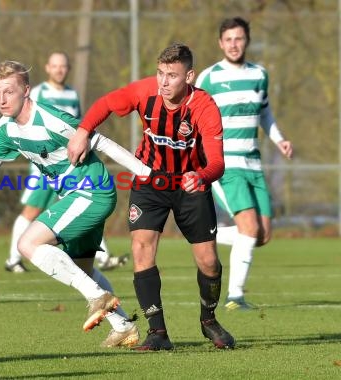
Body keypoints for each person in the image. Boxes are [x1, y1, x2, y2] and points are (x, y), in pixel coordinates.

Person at [0, 60, 152, 348]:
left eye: (8, 91)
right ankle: (123, 327)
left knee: (28, 244)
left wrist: (148, 174)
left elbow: (103, 143)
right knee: (83, 270)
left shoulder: (51, 119)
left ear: (26, 90)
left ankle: (99, 297)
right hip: (75, 195)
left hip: (91, 191)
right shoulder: (6, 129)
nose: (1, 99)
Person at [67, 43, 235, 350]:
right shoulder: (145, 91)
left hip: (191, 186)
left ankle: (208, 320)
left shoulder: (204, 107)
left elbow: (217, 162)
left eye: (172, 75)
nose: (164, 81)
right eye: (160, 73)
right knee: (141, 248)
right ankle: (157, 333)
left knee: (209, 261)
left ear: (190, 76)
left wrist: (201, 176)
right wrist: (82, 131)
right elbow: (106, 103)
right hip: (149, 180)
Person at [196, 17, 293, 311]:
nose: (234, 44)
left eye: (239, 39)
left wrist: (279, 139)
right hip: (225, 165)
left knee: (262, 235)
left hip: (253, 164)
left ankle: (202, 235)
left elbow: (266, 113)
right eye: (228, 39)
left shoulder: (259, 75)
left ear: (246, 40)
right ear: (220, 43)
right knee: (248, 229)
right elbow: (193, 115)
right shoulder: (209, 77)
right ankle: (235, 297)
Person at [5, 51, 129, 273]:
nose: (59, 70)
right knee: (31, 211)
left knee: (82, 207)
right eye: (55, 66)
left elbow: (80, 128)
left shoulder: (72, 93)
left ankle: (102, 258)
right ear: (47, 68)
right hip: (46, 169)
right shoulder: (38, 92)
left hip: (71, 167)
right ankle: (13, 259)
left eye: (63, 66)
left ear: (68, 69)